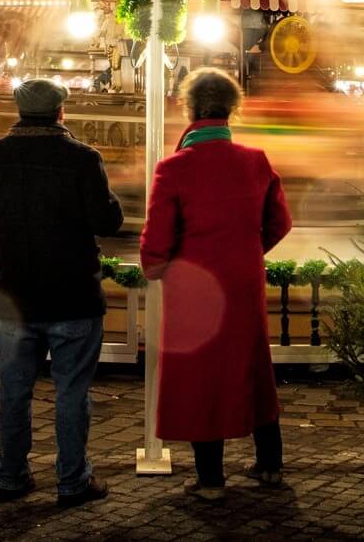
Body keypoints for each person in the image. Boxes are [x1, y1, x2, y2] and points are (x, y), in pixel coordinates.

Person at [0, 78, 123, 508]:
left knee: (14, 391)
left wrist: (2, 248)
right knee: (72, 391)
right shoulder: (83, 158)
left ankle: (12, 476)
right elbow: (107, 221)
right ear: (60, 112)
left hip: (16, 294)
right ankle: (73, 480)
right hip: (73, 293)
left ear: (19, 112)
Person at [140, 67, 292, 503]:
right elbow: (279, 221)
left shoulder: (173, 169)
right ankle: (270, 464)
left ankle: (211, 479)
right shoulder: (256, 161)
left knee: (201, 377)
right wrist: (247, 251)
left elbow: (157, 241)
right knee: (252, 366)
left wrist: (156, 268)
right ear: (232, 110)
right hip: (243, 284)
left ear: (188, 109)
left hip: (193, 289)